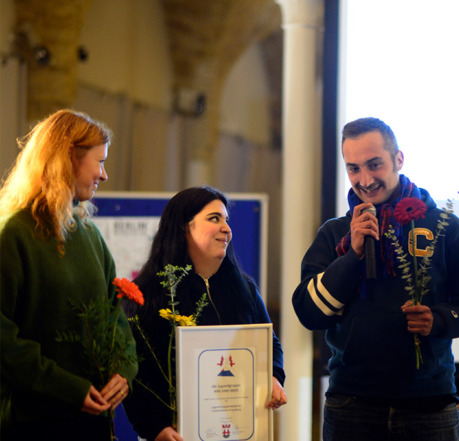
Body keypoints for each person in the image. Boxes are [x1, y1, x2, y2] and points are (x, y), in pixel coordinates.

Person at [292, 117, 459, 441]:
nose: (365, 179)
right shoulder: (336, 233)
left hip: (429, 404)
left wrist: (439, 319)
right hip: (351, 404)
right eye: (353, 168)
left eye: (374, 164)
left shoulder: (443, 225)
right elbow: (309, 312)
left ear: (398, 160)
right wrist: (353, 257)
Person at [0, 109, 137, 440]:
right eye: (99, 162)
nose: (104, 175)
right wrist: (65, 387)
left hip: (91, 421)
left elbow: (112, 316)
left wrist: (123, 369)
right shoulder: (14, 234)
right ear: (68, 160)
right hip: (33, 422)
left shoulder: (89, 235)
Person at [122, 185, 286, 441]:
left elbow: (269, 343)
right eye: (214, 218)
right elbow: (135, 373)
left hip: (238, 430)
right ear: (184, 227)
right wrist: (155, 428)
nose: (227, 229)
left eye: (226, 220)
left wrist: (274, 376)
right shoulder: (150, 293)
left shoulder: (245, 288)